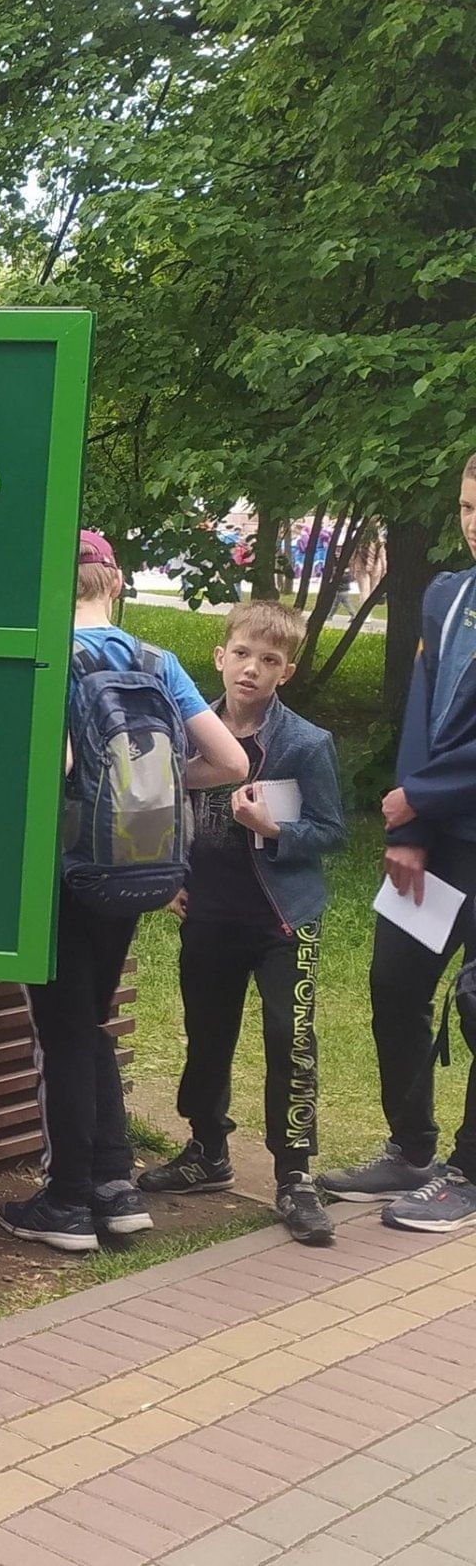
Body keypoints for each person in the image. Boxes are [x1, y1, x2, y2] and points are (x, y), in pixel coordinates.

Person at [0, 531, 249, 1253]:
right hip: (137, 866)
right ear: (116, 583)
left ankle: (67, 1201)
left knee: (64, 1031)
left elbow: (59, 765)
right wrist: (166, 789)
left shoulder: (53, 662)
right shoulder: (156, 660)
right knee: (93, 1020)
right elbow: (229, 759)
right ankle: (115, 1185)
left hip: (63, 869)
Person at [139, 602, 344, 1245]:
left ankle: (295, 1176)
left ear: (287, 671)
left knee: (291, 1040)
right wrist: (167, 874)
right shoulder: (186, 729)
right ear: (219, 656)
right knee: (206, 1035)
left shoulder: (305, 744)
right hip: (209, 916)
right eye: (243, 655)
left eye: (270, 660)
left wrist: (274, 829)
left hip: (285, 923)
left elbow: (333, 832)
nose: (252, 670)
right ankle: (207, 1150)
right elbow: (157, 803)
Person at [320, 453, 476, 1231]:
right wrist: (411, 825)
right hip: (433, 840)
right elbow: (422, 712)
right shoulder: (448, 596)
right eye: (471, 507)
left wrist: (425, 793)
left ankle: (470, 1173)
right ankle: (411, 1147)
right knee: (394, 981)